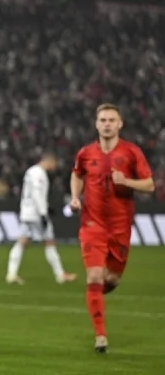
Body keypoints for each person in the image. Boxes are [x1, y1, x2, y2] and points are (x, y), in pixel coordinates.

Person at [69, 103, 154, 353]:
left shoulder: (131, 152)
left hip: (120, 227)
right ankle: (101, 336)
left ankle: (94, 295)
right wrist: (75, 197)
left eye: (111, 120)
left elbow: (149, 185)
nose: (107, 124)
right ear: (96, 124)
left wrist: (125, 181)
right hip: (92, 224)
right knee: (95, 276)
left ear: (120, 124)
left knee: (112, 280)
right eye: (103, 120)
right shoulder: (85, 153)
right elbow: (77, 174)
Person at [5, 152, 77, 285]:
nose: (55, 167)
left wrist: (46, 207)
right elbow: (37, 193)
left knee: (22, 241)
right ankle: (60, 275)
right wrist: (43, 213)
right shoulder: (39, 173)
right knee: (49, 242)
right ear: (50, 161)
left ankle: (11, 274)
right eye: (55, 163)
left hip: (27, 212)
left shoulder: (31, 171)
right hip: (36, 214)